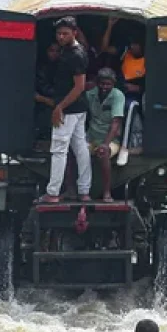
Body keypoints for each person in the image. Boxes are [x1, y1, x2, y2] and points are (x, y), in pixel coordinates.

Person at [42, 17, 91, 203]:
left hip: (69, 109)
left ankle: (53, 193)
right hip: (78, 108)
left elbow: (79, 86)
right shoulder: (71, 50)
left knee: (59, 149)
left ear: (75, 33)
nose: (61, 37)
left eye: (65, 33)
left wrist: (59, 107)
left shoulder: (76, 55)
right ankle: (84, 190)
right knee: (80, 147)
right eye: (59, 33)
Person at [84, 69, 125, 202]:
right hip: (91, 137)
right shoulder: (90, 94)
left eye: (108, 84)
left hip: (111, 140)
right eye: (102, 84)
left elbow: (116, 123)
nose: (104, 87)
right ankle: (74, 190)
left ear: (113, 84)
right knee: (74, 152)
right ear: (97, 83)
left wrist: (105, 144)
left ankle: (107, 192)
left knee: (103, 153)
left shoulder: (118, 96)